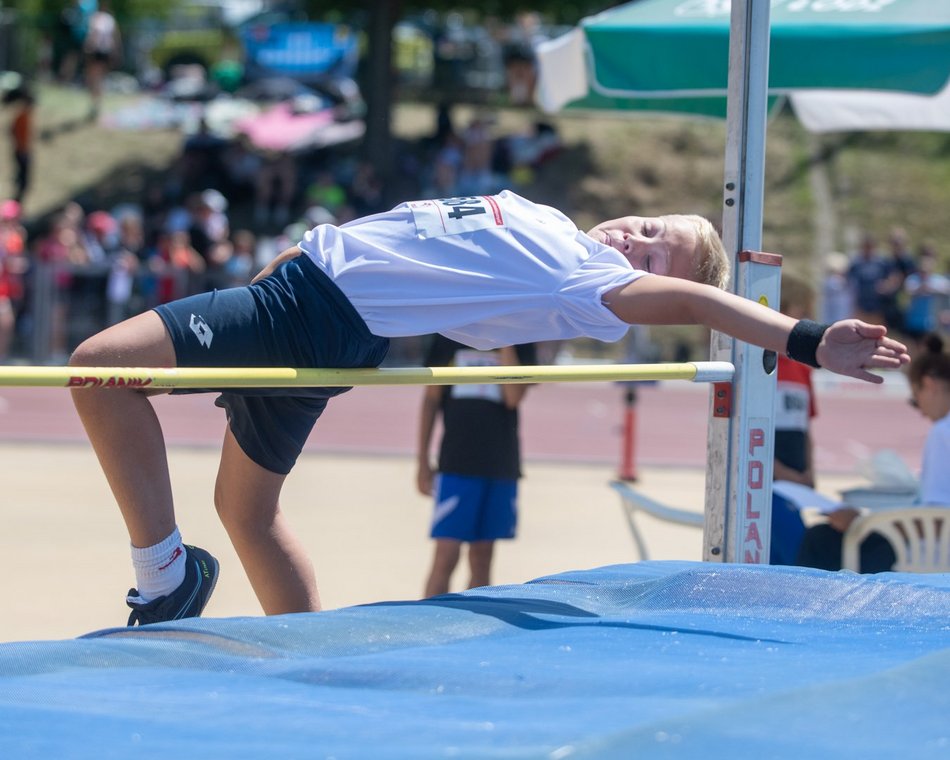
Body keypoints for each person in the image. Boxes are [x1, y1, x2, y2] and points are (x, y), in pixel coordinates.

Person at [67, 190, 909, 626]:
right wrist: (286, 261)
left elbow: (705, 308)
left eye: (659, 254)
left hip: (314, 311)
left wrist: (802, 338)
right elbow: (403, 232)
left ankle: (166, 580)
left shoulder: (588, 283)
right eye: (647, 225)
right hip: (306, 292)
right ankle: (312, 673)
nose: (635, 240)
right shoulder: (547, 220)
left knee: (95, 368)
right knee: (246, 509)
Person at [796, 333, 950, 573]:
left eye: (915, 399)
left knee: (821, 539)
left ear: (929, 385)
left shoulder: (943, 431)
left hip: (928, 555)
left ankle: (808, 608)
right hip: (929, 545)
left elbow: (937, 520)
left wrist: (863, 521)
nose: (920, 411)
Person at [417, 338, 536, 597]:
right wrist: (422, 460)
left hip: (499, 463)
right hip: (456, 463)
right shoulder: (448, 334)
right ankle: (428, 626)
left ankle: (473, 631)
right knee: (445, 555)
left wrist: (504, 339)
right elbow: (430, 398)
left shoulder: (522, 335)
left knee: (482, 557)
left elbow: (513, 397)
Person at [769, 275, 818, 565]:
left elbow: (806, 426)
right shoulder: (761, 367)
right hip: (769, 486)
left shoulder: (803, 369)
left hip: (798, 485)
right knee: (802, 562)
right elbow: (750, 432)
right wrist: (782, 473)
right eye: (802, 312)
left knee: (786, 567)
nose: (808, 319)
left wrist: (809, 472)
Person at [83, 1, 121, 122]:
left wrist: (87, 48)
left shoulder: (96, 18)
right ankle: (97, 104)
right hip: (104, 52)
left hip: (98, 51)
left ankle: (95, 105)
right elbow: (115, 37)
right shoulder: (110, 19)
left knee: (94, 79)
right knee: (98, 79)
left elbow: (93, 36)